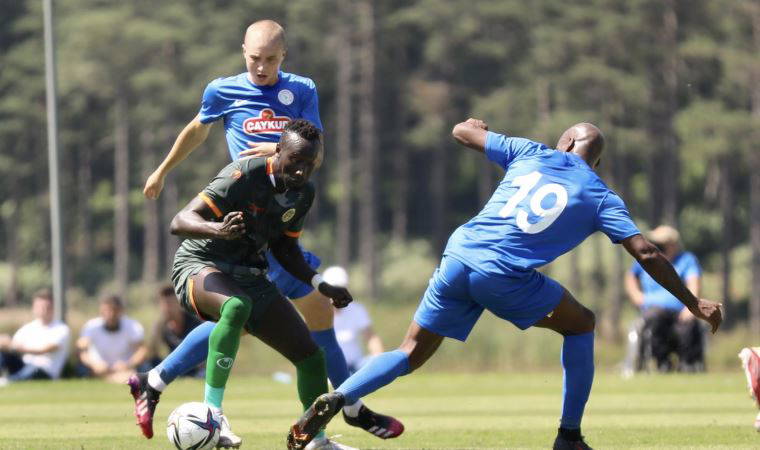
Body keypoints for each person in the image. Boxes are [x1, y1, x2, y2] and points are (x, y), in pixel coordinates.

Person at [287, 119, 724, 450]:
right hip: (502, 274)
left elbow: (461, 132)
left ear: (565, 143)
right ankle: (569, 436)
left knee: (409, 352)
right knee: (582, 324)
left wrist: (476, 125)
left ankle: (339, 397)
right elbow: (646, 253)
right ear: (596, 163)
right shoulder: (601, 195)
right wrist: (693, 302)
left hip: (459, 254)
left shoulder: (529, 151)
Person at [136, 19, 402, 447]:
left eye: (271, 60)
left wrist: (281, 152)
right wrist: (163, 170)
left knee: (305, 320)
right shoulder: (224, 95)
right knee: (239, 314)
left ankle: (337, 409)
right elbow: (198, 130)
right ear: (243, 52)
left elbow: (315, 149)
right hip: (243, 222)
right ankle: (343, 404)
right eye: (255, 59)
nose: (262, 68)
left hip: (274, 217)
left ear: (284, 56)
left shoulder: (301, 92)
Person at [133, 119, 355, 450]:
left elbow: (286, 249)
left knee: (311, 357)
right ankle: (213, 414)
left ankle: (315, 442)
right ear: (278, 151)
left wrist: (321, 284)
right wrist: (218, 230)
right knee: (236, 306)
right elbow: (180, 221)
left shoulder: (303, 193)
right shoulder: (244, 174)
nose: (301, 171)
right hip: (199, 264)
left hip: (250, 275)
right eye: (295, 160)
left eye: (309, 164)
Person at [624, 225, 705, 372]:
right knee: (655, 318)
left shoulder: (687, 260)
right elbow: (631, 276)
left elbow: (694, 283)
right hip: (654, 309)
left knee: (688, 326)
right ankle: (662, 364)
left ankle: (687, 366)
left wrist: (691, 307)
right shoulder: (647, 258)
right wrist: (636, 295)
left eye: (661, 244)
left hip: (680, 311)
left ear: (672, 245)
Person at [0, 289, 69, 384]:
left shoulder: (61, 329)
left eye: (46, 307)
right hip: (25, 365)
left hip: (44, 371)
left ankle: (9, 380)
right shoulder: (28, 328)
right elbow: (12, 343)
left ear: (53, 308)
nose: (43, 310)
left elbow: (43, 350)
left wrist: (14, 347)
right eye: (39, 307)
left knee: (30, 372)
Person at [324, 266, 385, 372]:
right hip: (329, 369)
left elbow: (371, 337)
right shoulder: (318, 312)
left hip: (357, 366)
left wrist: (380, 360)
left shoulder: (357, 309)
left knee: (373, 362)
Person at [78, 295, 148, 383]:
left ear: (121, 311)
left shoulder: (133, 326)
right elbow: (82, 351)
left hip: (124, 369)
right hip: (98, 369)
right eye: (106, 311)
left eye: (114, 310)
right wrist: (94, 365)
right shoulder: (91, 326)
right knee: (82, 369)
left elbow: (142, 350)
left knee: (145, 368)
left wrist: (128, 364)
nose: (110, 315)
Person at [146, 284, 203, 376]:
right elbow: (152, 352)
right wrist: (157, 333)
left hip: (194, 366)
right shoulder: (161, 326)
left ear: (179, 303)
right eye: (164, 304)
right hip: (175, 366)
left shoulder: (195, 323)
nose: (167, 308)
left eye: (170, 304)